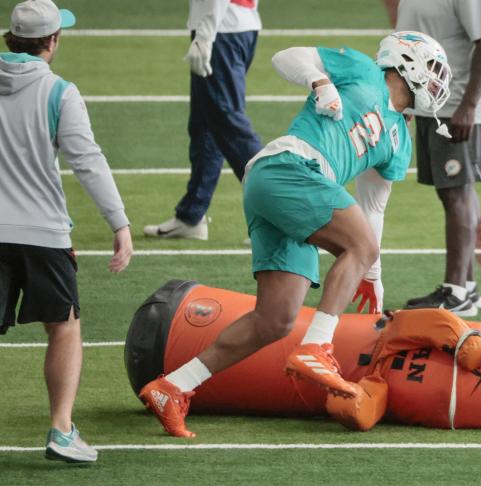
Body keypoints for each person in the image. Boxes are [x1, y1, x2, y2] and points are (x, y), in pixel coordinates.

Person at [138, 31, 452, 437]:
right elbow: (288, 56)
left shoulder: (399, 140)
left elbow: (373, 208)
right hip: (287, 168)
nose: (437, 82)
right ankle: (317, 346)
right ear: (407, 60)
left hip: (293, 190)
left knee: (275, 319)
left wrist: (371, 273)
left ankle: (173, 386)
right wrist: (320, 82)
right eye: (434, 69)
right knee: (357, 247)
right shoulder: (362, 70)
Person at [0, 0, 133, 463]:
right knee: (63, 328)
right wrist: (119, 223)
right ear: (52, 42)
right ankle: (60, 431)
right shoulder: (60, 92)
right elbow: (87, 161)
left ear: (9, 38)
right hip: (43, 233)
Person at [392, 0, 481, 316]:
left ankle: (454, 293)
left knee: (457, 192)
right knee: (453, 191)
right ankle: (466, 287)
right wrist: (408, 99)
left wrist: (469, 105)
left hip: (456, 105)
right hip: (432, 102)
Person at [143, 0, 263, 241]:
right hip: (235, 26)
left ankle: (278, 214)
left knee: (230, 126)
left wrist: (205, 35)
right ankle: (191, 215)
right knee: (205, 125)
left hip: (221, 31)